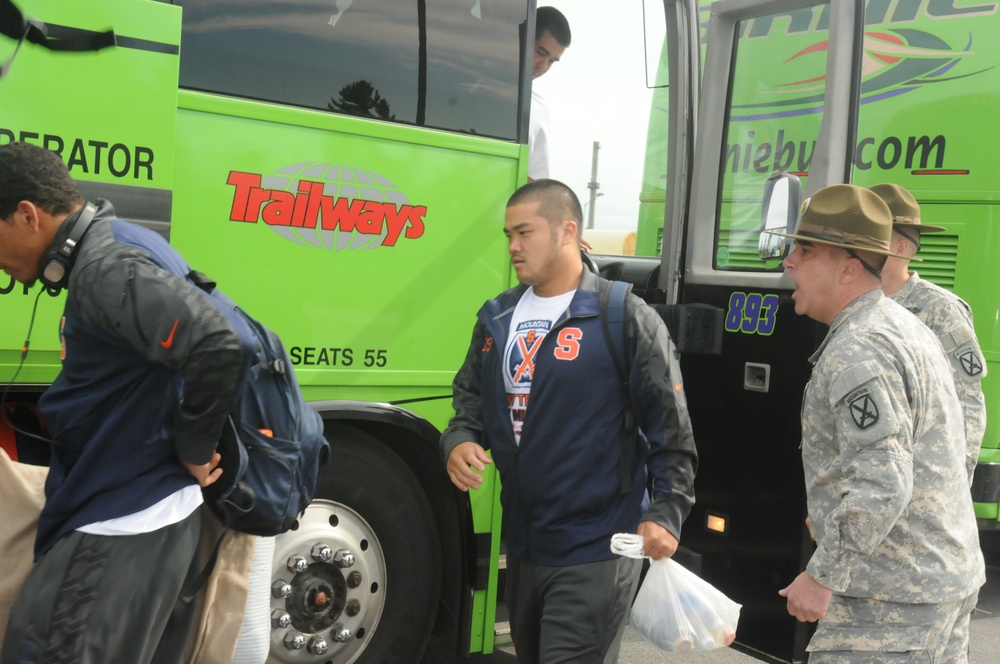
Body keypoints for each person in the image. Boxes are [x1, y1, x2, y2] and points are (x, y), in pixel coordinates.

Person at [0, 142, 245, 664]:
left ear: (27, 215)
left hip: (120, 521)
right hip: (143, 517)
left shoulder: (103, 267)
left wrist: (194, 450)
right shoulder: (124, 242)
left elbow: (215, 344)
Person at [441, 178, 697, 664]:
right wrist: (459, 438)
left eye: (525, 232)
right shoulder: (497, 316)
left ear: (567, 231)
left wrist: (667, 511)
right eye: (508, 235)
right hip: (524, 546)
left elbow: (671, 425)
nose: (513, 246)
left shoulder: (623, 315)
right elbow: (469, 397)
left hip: (597, 550)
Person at [768, 184, 985, 661]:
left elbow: (883, 480)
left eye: (805, 251)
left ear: (849, 268)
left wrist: (823, 573)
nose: (789, 262)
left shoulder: (861, 345)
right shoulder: (900, 325)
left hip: (891, 602)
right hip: (927, 585)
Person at [870, 182, 987, 483]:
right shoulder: (856, 304)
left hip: (921, 481)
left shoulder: (940, 309)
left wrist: (956, 482)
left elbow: (967, 402)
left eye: (872, 235)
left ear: (900, 247)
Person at [528, 6, 571, 181]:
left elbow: (533, 180)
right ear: (524, 37)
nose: (543, 66)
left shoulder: (539, 111)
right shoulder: (470, 83)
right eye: (541, 52)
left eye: (552, 61)